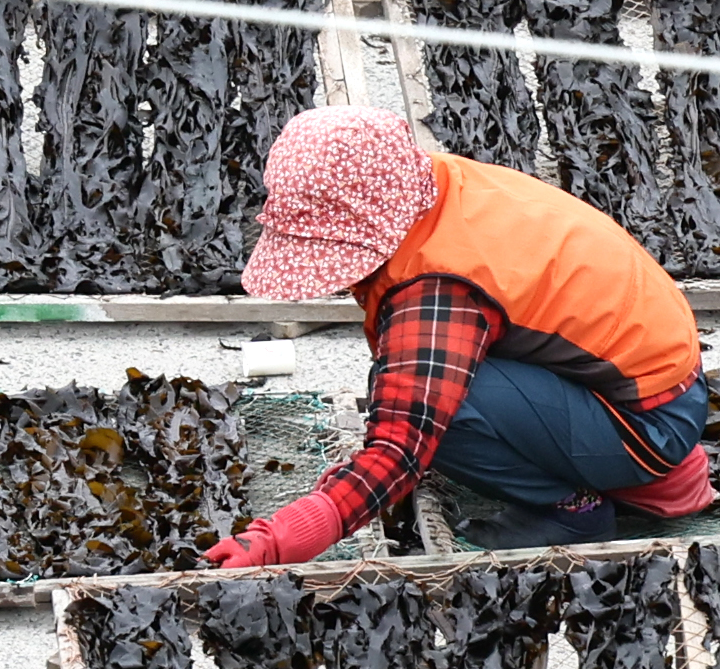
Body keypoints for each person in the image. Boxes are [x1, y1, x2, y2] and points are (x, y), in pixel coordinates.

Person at [209, 105, 714, 566]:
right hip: (660, 387)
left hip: (646, 424)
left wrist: (278, 539)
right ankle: (647, 473)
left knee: (440, 415)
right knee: (416, 382)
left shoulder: (437, 286)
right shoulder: (436, 185)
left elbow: (401, 448)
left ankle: (574, 511)